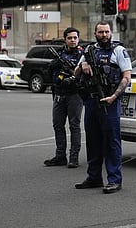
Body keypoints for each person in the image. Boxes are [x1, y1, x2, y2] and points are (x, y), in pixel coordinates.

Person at [74, 21, 132, 194]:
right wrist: (81, 65)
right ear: (95, 33)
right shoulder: (88, 51)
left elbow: (127, 77)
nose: (104, 35)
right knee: (92, 141)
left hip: (110, 101)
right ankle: (94, 178)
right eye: (101, 32)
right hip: (91, 102)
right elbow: (75, 74)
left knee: (112, 142)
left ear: (110, 33)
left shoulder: (119, 51)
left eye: (107, 32)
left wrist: (114, 96)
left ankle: (114, 180)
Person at [44, 27, 84, 168]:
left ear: (78, 39)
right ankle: (60, 156)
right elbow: (50, 74)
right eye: (70, 38)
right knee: (58, 125)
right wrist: (53, 66)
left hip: (74, 94)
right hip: (59, 94)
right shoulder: (59, 55)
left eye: (75, 38)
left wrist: (74, 78)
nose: (72, 40)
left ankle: (74, 157)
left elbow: (86, 75)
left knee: (74, 126)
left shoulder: (82, 55)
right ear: (65, 39)